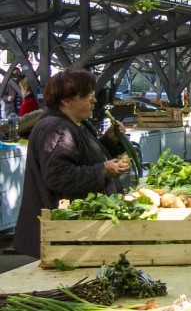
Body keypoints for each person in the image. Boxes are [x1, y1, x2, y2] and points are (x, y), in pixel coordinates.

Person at [14, 68, 133, 258]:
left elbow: (85, 157)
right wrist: (102, 171)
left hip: (72, 232)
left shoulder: (76, 124)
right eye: (87, 96)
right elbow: (59, 177)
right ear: (66, 101)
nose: (94, 100)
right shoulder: (57, 129)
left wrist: (110, 141)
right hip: (62, 234)